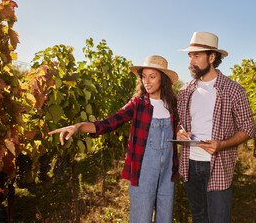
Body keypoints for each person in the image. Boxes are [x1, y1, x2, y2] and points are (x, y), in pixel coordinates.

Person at [48, 55, 180, 223]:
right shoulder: (138, 104)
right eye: (144, 76)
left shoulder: (173, 106)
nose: (146, 81)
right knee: (141, 219)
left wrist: (181, 131)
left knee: (165, 219)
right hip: (142, 173)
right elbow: (108, 123)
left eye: (152, 76)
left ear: (164, 79)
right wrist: (78, 127)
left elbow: (178, 130)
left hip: (168, 173)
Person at [176, 32, 256, 222]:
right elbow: (180, 123)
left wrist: (222, 145)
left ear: (212, 57)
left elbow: (248, 127)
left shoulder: (233, 90)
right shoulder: (185, 91)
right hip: (190, 164)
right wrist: (179, 132)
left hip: (218, 165)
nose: (191, 61)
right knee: (198, 216)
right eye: (189, 56)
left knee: (218, 219)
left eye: (196, 56)